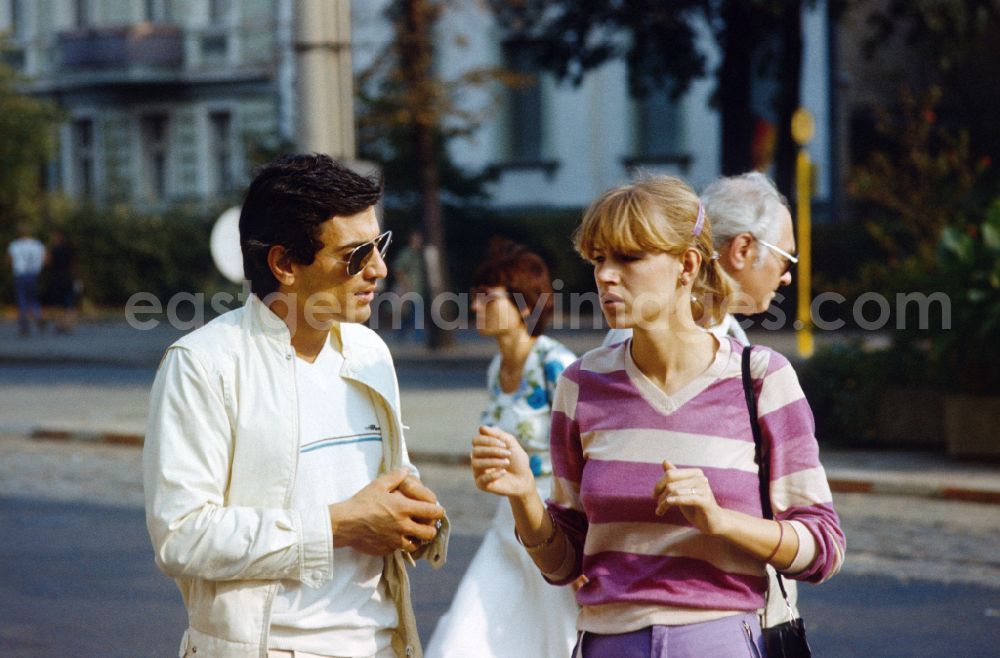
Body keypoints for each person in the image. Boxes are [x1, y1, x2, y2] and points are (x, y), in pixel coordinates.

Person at [472, 176, 845, 657]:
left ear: (687, 265)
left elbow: (824, 548)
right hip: (607, 643)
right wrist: (524, 496)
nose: (606, 275)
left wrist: (722, 521)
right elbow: (563, 565)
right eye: (599, 259)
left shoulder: (762, 379)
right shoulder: (580, 385)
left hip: (720, 640)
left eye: (628, 258)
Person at [143, 154, 449, 658]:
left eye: (380, 245)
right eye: (355, 255)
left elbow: (390, 487)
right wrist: (338, 524)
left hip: (382, 643)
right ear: (284, 264)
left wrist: (414, 522)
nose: (379, 269)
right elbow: (182, 535)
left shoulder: (370, 353)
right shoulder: (204, 365)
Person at [425, 238, 578, 658]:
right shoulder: (496, 369)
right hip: (503, 526)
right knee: (463, 640)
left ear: (525, 307)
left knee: (559, 643)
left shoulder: (557, 365)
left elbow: (586, 453)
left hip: (552, 527)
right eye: (476, 298)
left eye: (488, 298)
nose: (475, 307)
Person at [603, 171, 797, 347]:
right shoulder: (646, 333)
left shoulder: (719, 325)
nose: (787, 277)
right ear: (742, 249)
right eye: (786, 259)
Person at [7, 223, 46, 336]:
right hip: (33, 274)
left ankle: (24, 325)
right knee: (33, 298)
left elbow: (10, 260)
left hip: (20, 274)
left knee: (22, 299)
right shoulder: (37, 244)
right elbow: (44, 258)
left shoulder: (14, 245)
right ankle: (38, 315)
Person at [390, 230, 427, 340]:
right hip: (409, 289)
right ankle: (417, 337)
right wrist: (405, 284)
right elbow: (398, 269)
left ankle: (401, 335)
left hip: (417, 289)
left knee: (409, 315)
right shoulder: (407, 253)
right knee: (414, 314)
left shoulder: (420, 254)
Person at [44, 230, 79, 333]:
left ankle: (60, 325)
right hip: (69, 278)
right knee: (69, 303)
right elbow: (75, 265)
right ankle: (70, 326)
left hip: (57, 279)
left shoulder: (53, 250)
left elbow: (47, 262)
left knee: (58, 304)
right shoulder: (70, 249)